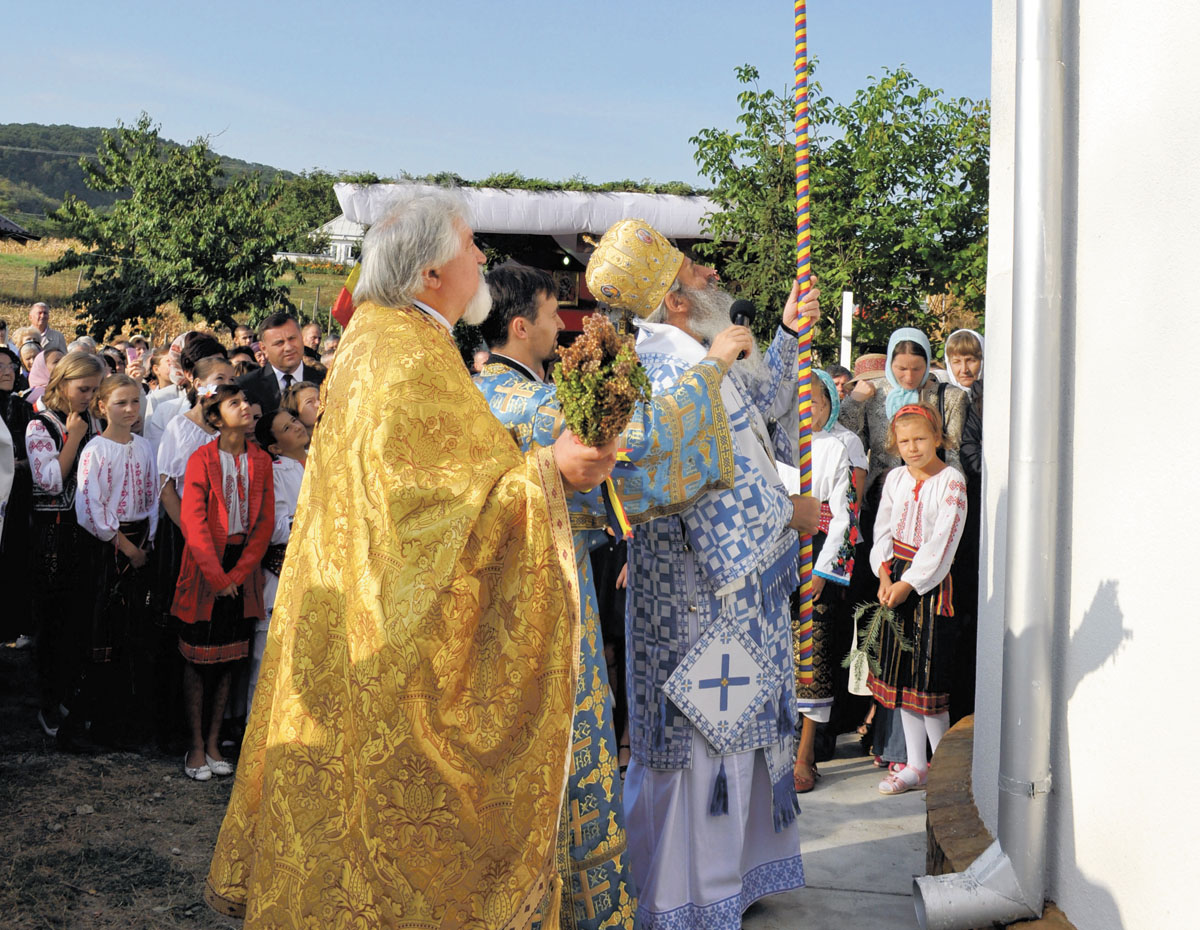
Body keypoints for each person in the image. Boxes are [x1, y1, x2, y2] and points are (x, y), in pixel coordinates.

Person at [206, 186, 618, 926]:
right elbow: (425, 516)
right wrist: (546, 474)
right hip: (392, 648)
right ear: (431, 273)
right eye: (469, 245)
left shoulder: (392, 339)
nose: (482, 258)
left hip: (360, 628)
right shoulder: (403, 356)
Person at [477, 261, 749, 930]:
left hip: (517, 594)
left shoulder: (492, 391)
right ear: (520, 326)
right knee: (564, 752)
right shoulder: (526, 403)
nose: (560, 327)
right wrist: (711, 369)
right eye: (549, 315)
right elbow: (642, 440)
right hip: (545, 595)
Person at [586, 219, 821, 930]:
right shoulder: (676, 374)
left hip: (711, 589)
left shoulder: (693, 360)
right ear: (676, 303)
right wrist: (788, 516)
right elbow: (704, 486)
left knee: (725, 733)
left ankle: (731, 879)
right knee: (703, 739)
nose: (709, 276)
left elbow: (764, 410)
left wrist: (786, 332)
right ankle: (689, 895)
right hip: (704, 594)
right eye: (693, 272)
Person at [173, 384, 273, 781]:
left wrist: (239, 573)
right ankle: (195, 745)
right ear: (215, 418)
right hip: (205, 565)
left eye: (246, 402)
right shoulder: (201, 458)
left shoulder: (262, 460)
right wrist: (216, 575)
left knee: (231, 658)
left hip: (240, 568)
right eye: (236, 403)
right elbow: (193, 521)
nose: (246, 407)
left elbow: (263, 524)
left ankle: (215, 742)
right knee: (198, 659)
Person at [869, 403, 967, 795]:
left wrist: (908, 583)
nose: (912, 448)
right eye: (905, 441)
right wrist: (883, 571)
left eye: (921, 439)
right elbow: (882, 527)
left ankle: (942, 767)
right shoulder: (893, 478)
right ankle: (914, 764)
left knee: (927, 684)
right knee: (902, 679)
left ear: (937, 438)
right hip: (894, 581)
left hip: (928, 585)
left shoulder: (952, 481)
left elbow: (943, 541)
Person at [66, 374, 158, 750]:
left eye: (135, 402)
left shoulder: (145, 446)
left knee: (132, 634)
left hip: (139, 542)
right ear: (103, 407)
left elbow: (151, 496)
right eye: (121, 403)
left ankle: (123, 723)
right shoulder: (95, 451)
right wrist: (127, 547)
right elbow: (90, 507)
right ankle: (86, 725)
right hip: (109, 548)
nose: (130, 410)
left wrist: (146, 543)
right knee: (101, 634)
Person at [25, 352, 106, 737]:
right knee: (53, 619)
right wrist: (73, 438)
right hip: (53, 531)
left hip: (86, 530)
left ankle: (71, 696)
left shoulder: (95, 420)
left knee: (80, 620)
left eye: (94, 389)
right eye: (83, 388)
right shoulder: (40, 425)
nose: (89, 396)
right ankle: (47, 700)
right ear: (62, 383)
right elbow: (50, 481)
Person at [792, 369, 856, 793]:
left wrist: (821, 571)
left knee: (813, 660)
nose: (809, 408)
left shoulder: (837, 449)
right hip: (778, 555)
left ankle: (805, 754)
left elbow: (844, 515)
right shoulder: (777, 442)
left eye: (817, 400)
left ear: (831, 403)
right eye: (802, 400)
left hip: (817, 556)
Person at [246, 410, 306, 713]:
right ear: (275, 447)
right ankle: (254, 730)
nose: (296, 426)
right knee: (268, 653)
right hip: (281, 571)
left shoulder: (322, 461)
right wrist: (314, 518)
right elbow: (274, 529)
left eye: (294, 421)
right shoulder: (277, 472)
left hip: (316, 573)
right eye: (286, 427)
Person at [0, 347, 35, 645]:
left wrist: (15, 466)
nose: (8, 371)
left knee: (12, 562)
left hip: (16, 500)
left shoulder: (22, 409)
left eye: (10, 365)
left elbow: (32, 458)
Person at [235, 313, 325, 411]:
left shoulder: (324, 381)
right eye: (279, 343)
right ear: (263, 348)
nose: (288, 348)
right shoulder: (247, 385)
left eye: (292, 339)